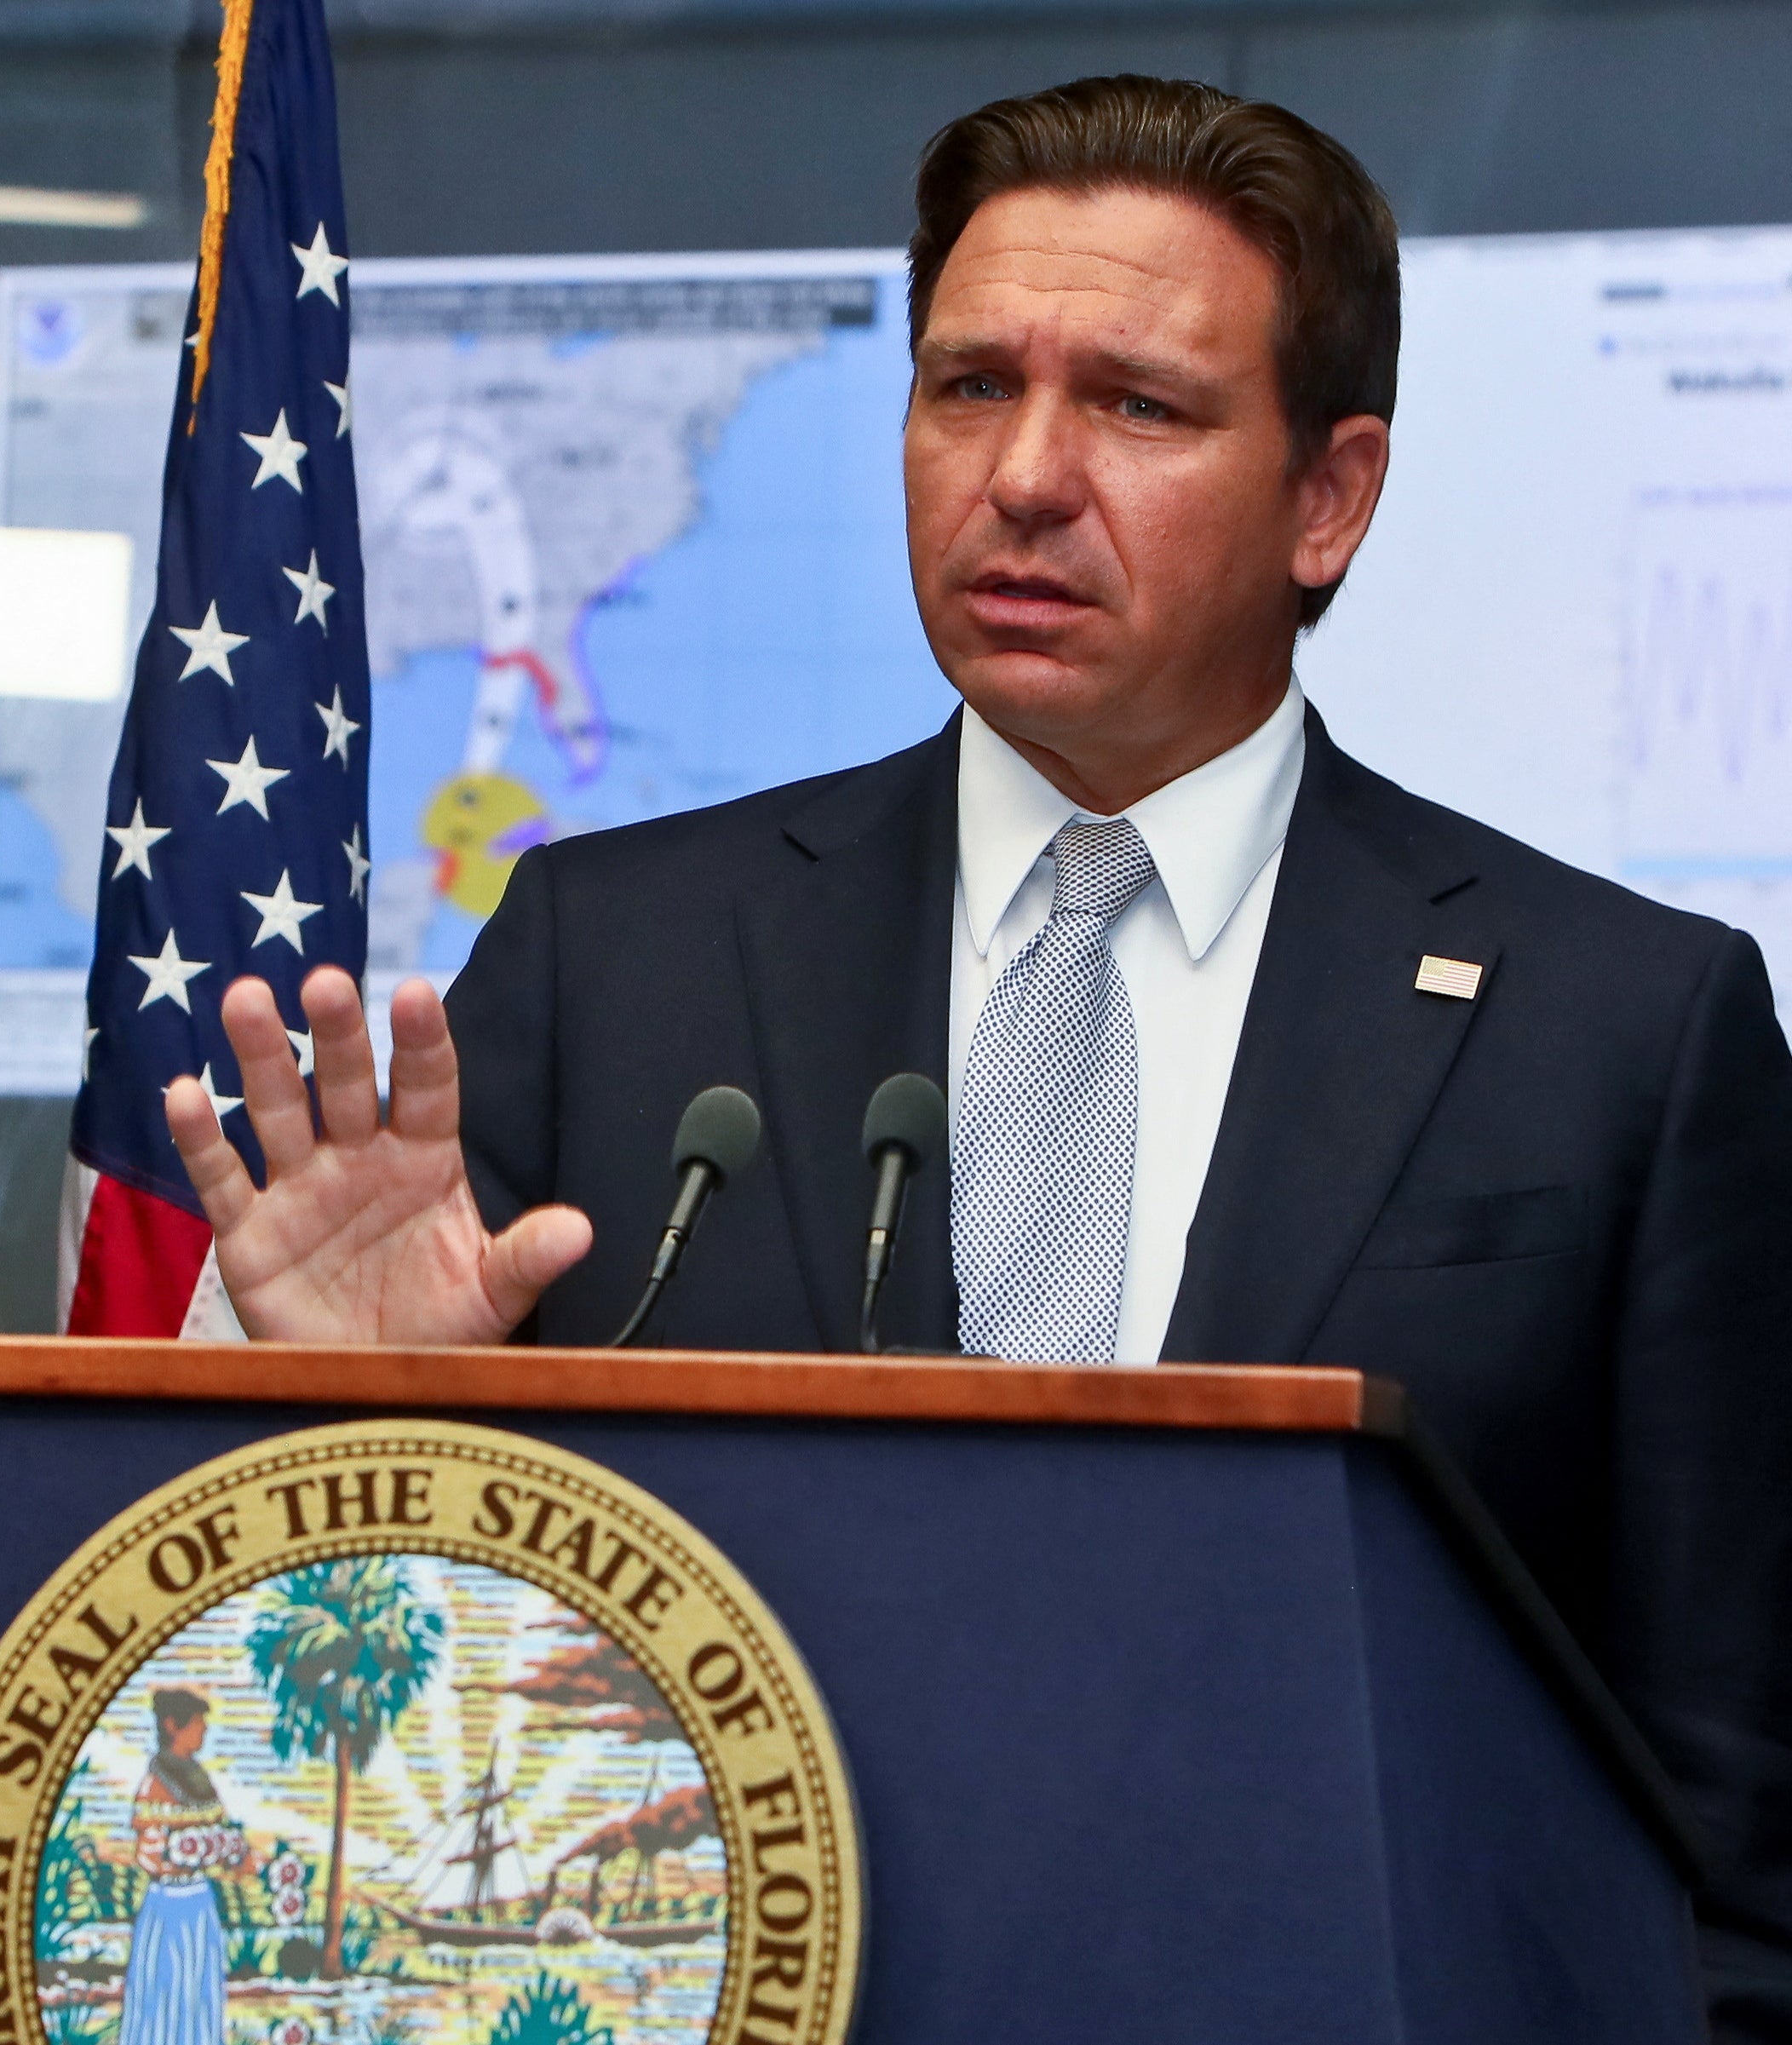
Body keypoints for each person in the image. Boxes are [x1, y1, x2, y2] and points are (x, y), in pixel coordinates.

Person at [164, 77, 1792, 2034]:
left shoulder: (1621, 1025)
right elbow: (389, 1731)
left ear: (1328, 498)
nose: (1024, 475)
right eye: (965, 388)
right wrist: (350, 1437)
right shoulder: (619, 954)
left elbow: (1725, 1831)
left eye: (1136, 405)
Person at [120, 1687, 246, 2045]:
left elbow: (223, 1837)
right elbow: (148, 1854)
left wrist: (232, 1855)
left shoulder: (201, 1779)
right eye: (197, 1724)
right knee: (165, 1992)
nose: (203, 1732)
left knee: (200, 1992)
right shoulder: (155, 1784)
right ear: (172, 1726)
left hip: (201, 1904)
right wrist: (176, 1856)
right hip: (167, 1907)